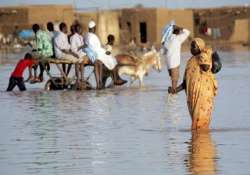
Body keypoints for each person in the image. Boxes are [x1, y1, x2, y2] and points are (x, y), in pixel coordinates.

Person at [169, 38, 218, 130]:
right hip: (193, 96)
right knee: (196, 121)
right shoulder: (190, 62)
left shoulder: (203, 56)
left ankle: (201, 142)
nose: (191, 48)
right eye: (191, 46)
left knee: (200, 120)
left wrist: (205, 54)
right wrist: (175, 90)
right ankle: (198, 141)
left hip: (203, 95)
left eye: (193, 46)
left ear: (200, 47)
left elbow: (206, 67)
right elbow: (185, 82)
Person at [83, 20, 127, 89]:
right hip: (96, 53)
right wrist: (104, 51)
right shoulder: (92, 36)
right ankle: (116, 79)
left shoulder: (87, 35)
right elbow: (96, 48)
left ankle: (116, 78)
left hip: (94, 52)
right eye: (95, 28)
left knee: (111, 57)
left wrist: (103, 49)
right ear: (94, 28)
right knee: (112, 59)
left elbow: (93, 46)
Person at [162, 24, 190, 92]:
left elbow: (163, 51)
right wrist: (180, 27)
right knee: (175, 80)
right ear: (178, 32)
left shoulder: (167, 39)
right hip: (174, 63)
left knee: (173, 79)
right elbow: (187, 32)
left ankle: (171, 93)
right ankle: (173, 94)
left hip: (168, 64)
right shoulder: (178, 38)